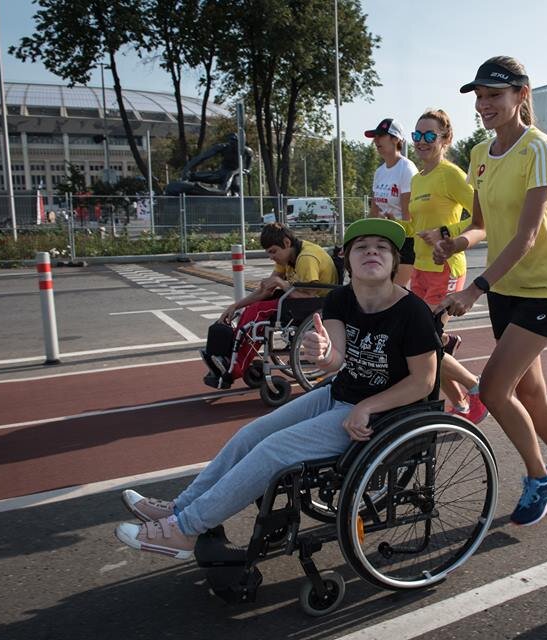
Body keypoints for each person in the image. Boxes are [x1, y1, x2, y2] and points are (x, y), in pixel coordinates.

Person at [115, 218, 441, 559]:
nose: (372, 251)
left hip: (383, 414)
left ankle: (185, 530)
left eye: (382, 247)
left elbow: (424, 381)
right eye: (362, 246)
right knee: (249, 435)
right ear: (347, 258)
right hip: (339, 394)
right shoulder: (342, 299)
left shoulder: (412, 312)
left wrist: (368, 406)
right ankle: (180, 508)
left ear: (392, 261)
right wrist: (324, 353)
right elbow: (335, 359)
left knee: (274, 451)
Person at [435, 57, 547, 527]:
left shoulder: (539, 148)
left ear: (521, 95)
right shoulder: (481, 155)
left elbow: (527, 234)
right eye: (480, 97)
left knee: (495, 390)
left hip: (543, 289)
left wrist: (475, 290)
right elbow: (483, 225)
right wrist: (456, 241)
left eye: (494, 95)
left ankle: (540, 477)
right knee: (532, 392)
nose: (485, 105)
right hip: (505, 289)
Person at [409, 108, 487, 423]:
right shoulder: (417, 180)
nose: (422, 142)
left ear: (445, 139)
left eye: (430, 136)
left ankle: (475, 387)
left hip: (446, 268)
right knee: (421, 341)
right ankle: (463, 404)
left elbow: (480, 218)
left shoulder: (451, 174)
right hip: (419, 269)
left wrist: (446, 234)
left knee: (422, 341)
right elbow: (414, 224)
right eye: (417, 135)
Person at [201, 223, 337, 382]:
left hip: (318, 304)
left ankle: (235, 365)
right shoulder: (286, 256)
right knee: (252, 310)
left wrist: (280, 283)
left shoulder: (307, 258)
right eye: (268, 253)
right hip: (300, 300)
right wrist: (236, 306)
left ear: (286, 243)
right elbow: (265, 290)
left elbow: (308, 295)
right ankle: (230, 357)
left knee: (258, 312)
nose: (271, 257)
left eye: (273, 252)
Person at [366, 118, 418, 288]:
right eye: (375, 137)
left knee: (394, 291)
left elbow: (408, 216)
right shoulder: (379, 172)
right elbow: (374, 211)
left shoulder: (407, 169)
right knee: (380, 290)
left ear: (396, 139)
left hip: (404, 240)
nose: (376, 141)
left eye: (381, 136)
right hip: (384, 238)